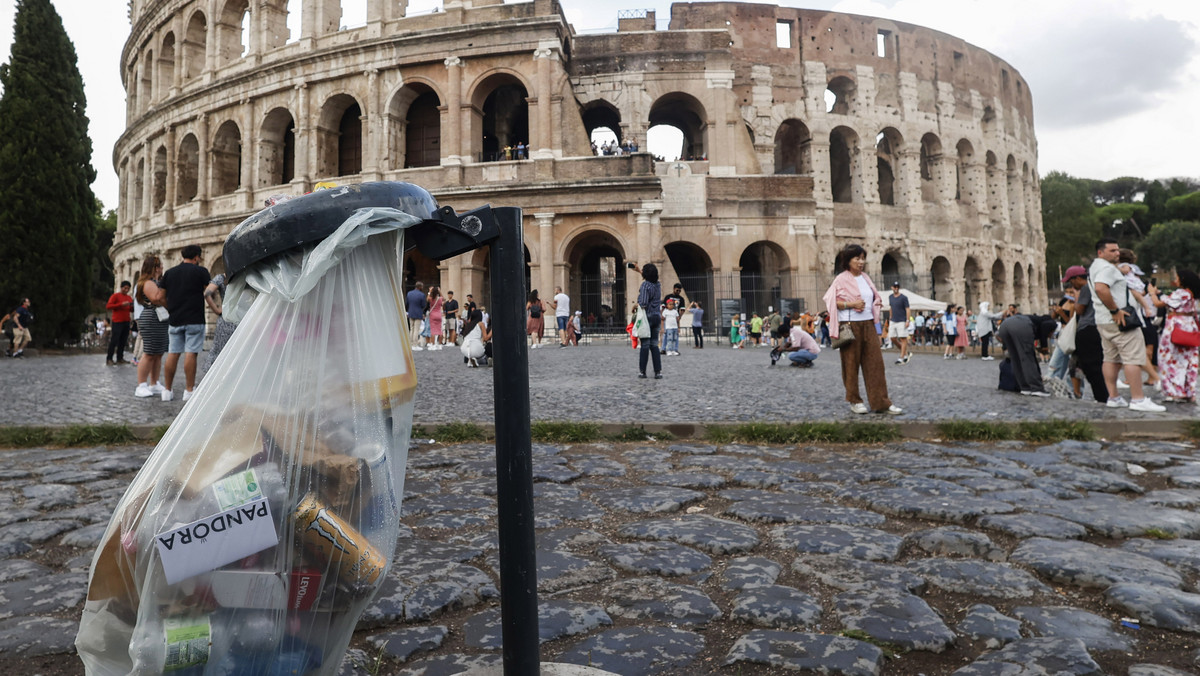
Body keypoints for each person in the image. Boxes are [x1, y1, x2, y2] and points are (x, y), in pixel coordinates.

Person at [823, 244, 901, 415]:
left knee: (876, 364)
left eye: (863, 258)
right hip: (849, 325)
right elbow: (830, 301)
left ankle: (881, 402)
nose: (861, 262)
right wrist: (851, 304)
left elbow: (873, 297)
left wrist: (876, 305)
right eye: (857, 258)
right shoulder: (841, 279)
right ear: (848, 261)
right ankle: (854, 400)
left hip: (868, 323)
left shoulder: (866, 278)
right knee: (850, 364)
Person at [1089, 238, 1164, 412]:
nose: (1117, 253)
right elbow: (1101, 288)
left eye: (1117, 250)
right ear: (1101, 252)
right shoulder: (1106, 268)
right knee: (1133, 358)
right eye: (1112, 251)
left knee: (1111, 358)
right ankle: (1138, 399)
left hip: (1103, 320)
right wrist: (1115, 310)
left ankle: (1113, 397)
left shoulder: (1095, 266)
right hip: (1120, 320)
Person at [159, 245, 211, 402]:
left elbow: (160, 296)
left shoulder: (169, 273)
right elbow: (208, 291)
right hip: (195, 317)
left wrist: (171, 308)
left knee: (172, 353)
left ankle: (167, 391)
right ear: (196, 257)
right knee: (191, 353)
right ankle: (189, 390)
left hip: (175, 318)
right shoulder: (201, 271)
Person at [1152, 270, 1200, 404]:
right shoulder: (1192, 294)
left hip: (1176, 327)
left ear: (1183, 279)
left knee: (1169, 359)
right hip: (1189, 327)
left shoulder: (1182, 293)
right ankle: (1189, 391)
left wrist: (1152, 293)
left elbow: (1159, 303)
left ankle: (1175, 392)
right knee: (1188, 361)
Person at [996, 313, 1057, 396]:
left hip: (1004, 326)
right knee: (1028, 358)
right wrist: (1044, 346)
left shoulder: (1035, 321)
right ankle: (1037, 388)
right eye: (1052, 333)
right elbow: (1045, 327)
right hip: (1020, 326)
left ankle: (1025, 387)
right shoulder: (1051, 323)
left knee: (1016, 359)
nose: (1051, 336)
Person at [133, 255, 168, 398]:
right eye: (158, 265)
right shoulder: (147, 282)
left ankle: (154, 382)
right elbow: (157, 298)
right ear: (153, 268)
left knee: (158, 352)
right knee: (148, 352)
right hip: (151, 317)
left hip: (158, 318)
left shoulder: (154, 282)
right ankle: (141, 384)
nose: (161, 268)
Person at [631, 262, 663, 379]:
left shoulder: (645, 286)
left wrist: (636, 305)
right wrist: (640, 271)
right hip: (656, 317)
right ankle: (658, 371)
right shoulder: (658, 285)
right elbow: (651, 280)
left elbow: (643, 303)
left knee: (644, 345)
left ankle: (642, 371)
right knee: (654, 345)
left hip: (647, 317)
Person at [202, 272, 236, 369]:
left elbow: (207, 293)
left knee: (220, 353)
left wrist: (217, 310)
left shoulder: (222, 277)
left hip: (225, 320)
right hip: (241, 319)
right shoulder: (244, 275)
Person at [105, 282, 135, 366]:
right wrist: (120, 304)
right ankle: (109, 358)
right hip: (117, 321)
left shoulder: (129, 297)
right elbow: (108, 306)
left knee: (123, 340)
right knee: (114, 340)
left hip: (126, 321)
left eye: (128, 288)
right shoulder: (115, 296)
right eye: (125, 288)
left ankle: (120, 358)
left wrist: (132, 307)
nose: (126, 290)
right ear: (121, 287)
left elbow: (131, 310)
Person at [887, 282, 911, 364]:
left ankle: (902, 357)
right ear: (892, 287)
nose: (896, 288)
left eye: (897, 286)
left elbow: (907, 309)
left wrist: (908, 320)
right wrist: (890, 317)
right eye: (895, 286)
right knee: (892, 338)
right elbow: (891, 307)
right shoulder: (890, 297)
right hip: (893, 320)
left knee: (903, 338)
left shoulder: (904, 297)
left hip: (902, 320)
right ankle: (905, 353)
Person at [406, 281, 427, 351]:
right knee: (416, 329)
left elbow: (407, 303)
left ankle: (410, 344)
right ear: (420, 287)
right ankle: (415, 345)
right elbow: (423, 305)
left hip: (410, 312)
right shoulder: (422, 295)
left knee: (411, 329)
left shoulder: (409, 293)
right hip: (418, 313)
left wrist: (408, 311)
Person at [427, 286, 445, 350]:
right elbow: (444, 299)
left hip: (432, 315)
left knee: (433, 331)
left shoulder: (431, 299)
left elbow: (427, 299)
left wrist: (429, 291)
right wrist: (440, 291)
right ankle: (440, 345)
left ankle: (433, 345)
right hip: (439, 315)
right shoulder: (440, 299)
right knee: (440, 330)